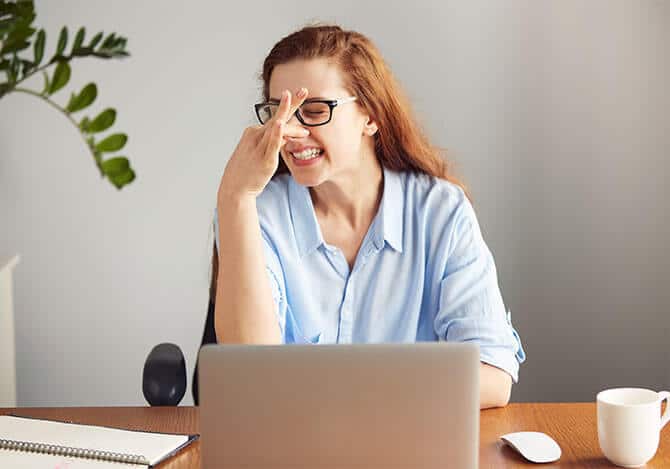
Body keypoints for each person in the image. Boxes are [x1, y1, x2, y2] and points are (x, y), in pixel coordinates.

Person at [212, 24, 525, 409]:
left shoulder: (440, 211)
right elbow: (251, 371)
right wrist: (234, 196)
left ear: (371, 116)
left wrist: (352, 398)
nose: (289, 131)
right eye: (278, 112)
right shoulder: (258, 213)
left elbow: (493, 375)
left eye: (313, 110)